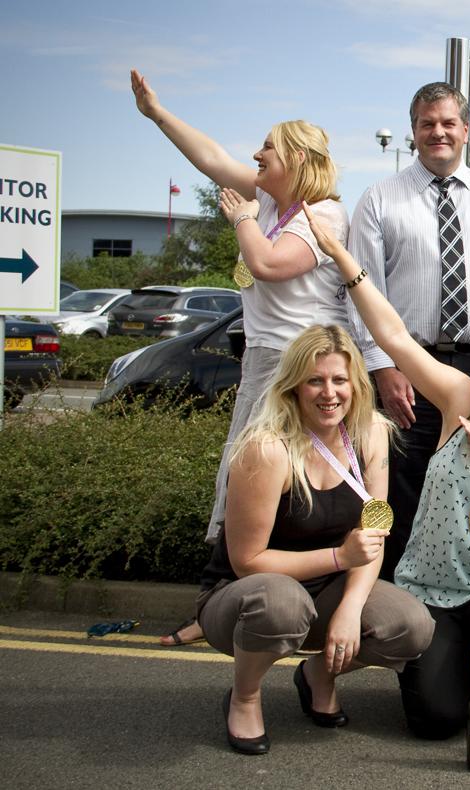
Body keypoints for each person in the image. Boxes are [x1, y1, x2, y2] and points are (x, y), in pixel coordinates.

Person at [304, 204, 470, 740]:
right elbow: (396, 337)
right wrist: (345, 263)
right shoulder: (461, 399)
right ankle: (319, 671)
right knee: (439, 722)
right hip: (428, 588)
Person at [131, 69, 352, 648]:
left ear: (299, 161)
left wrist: (244, 221)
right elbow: (209, 157)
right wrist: (158, 114)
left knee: (282, 480)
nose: (255, 155)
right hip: (265, 362)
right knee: (243, 476)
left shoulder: (321, 215)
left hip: (301, 368)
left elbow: (271, 265)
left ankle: (274, 596)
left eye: (268, 148)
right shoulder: (267, 198)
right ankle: (218, 602)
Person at [196, 324, 434, 755]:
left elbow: (372, 533)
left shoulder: (372, 434)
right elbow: (247, 560)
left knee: (411, 626)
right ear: (293, 386)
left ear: (356, 384)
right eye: (315, 380)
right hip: (247, 594)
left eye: (339, 380)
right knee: (282, 603)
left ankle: (319, 674)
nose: (329, 393)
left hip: (328, 587)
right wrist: (340, 556)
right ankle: (245, 695)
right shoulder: (267, 448)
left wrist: (350, 608)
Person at [347, 81, 470, 580]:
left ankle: (468, 585)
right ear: (414, 130)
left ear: (466, 130)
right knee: (403, 482)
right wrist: (381, 367)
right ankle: (395, 596)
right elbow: (362, 290)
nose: (437, 132)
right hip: (409, 367)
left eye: (448, 123)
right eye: (427, 124)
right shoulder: (380, 199)